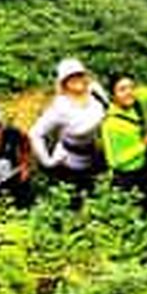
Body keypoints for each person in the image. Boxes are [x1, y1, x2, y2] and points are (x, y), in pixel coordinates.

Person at [30, 57, 107, 195]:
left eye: (79, 74)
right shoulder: (60, 107)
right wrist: (48, 161)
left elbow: (108, 110)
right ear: (63, 82)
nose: (77, 79)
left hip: (96, 155)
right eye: (71, 77)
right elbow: (35, 133)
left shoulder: (95, 92)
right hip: (70, 163)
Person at [101, 74, 147, 193]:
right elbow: (114, 161)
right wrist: (143, 144)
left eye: (131, 88)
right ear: (113, 95)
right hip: (127, 178)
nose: (129, 92)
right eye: (122, 89)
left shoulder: (135, 107)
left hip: (144, 168)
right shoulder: (110, 123)